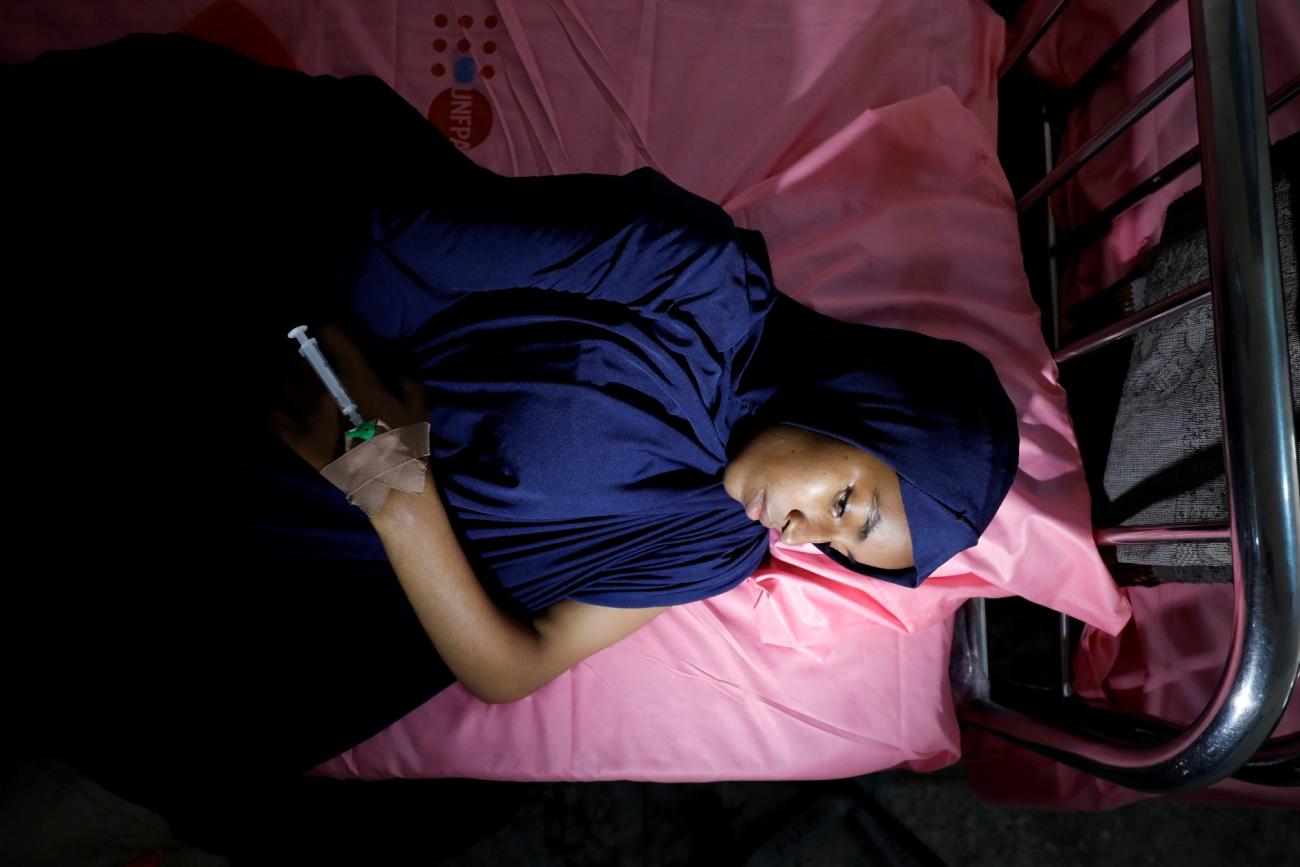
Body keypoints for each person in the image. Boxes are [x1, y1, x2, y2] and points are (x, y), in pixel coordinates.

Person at [6, 32, 1018, 842]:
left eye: (837, 546)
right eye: (848, 503)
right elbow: (389, 233)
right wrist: (350, 401)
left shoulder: (714, 548)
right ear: (871, 409)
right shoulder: (692, 277)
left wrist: (398, 499)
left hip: (355, 537)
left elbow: (515, 669)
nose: (803, 535)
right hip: (309, 289)